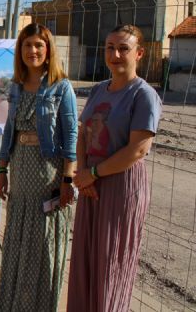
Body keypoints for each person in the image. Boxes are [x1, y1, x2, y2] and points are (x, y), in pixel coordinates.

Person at [67, 25, 162, 311]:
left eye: (123, 48)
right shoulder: (98, 90)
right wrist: (83, 174)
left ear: (139, 53)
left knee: (111, 264)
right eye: (110, 47)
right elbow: (84, 133)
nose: (116, 54)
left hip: (120, 187)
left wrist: (92, 174)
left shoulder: (143, 95)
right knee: (85, 262)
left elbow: (138, 149)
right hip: (90, 185)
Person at [0, 23, 78, 311]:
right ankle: (13, 303)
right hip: (20, 171)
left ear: (48, 49)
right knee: (18, 239)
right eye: (27, 45)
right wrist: (2, 171)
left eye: (38, 45)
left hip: (48, 173)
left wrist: (67, 178)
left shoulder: (61, 87)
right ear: (20, 50)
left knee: (43, 244)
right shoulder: (16, 87)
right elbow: (9, 132)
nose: (33, 51)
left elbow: (71, 134)